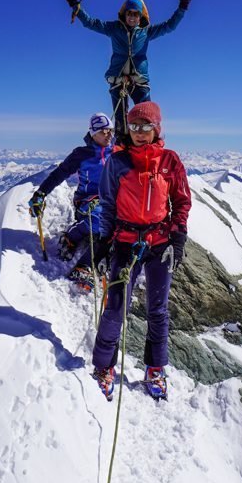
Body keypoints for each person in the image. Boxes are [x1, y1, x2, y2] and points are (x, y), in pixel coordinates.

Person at [90, 101, 191, 401]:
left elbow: (181, 202)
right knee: (115, 307)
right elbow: (107, 205)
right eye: (134, 127)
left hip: (159, 243)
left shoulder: (170, 161)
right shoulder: (117, 163)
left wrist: (178, 238)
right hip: (124, 241)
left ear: (157, 128)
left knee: (157, 310)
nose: (140, 132)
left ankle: (156, 368)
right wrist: (103, 244)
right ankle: (103, 366)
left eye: (146, 127)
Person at [63, 0, 193, 139]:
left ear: (140, 16)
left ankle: (150, 146)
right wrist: (75, 4)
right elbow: (90, 23)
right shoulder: (114, 29)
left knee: (147, 116)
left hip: (139, 81)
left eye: (135, 14)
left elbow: (170, 26)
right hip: (118, 81)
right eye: (129, 13)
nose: (132, 17)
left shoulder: (146, 32)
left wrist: (183, 6)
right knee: (121, 122)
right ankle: (122, 149)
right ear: (124, 15)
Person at [26, 113, 114, 291]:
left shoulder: (116, 151)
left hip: (112, 202)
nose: (109, 135)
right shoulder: (82, 155)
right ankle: (75, 239)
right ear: (93, 133)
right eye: (104, 132)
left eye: (110, 131)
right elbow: (60, 174)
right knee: (102, 221)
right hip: (87, 202)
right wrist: (41, 193)